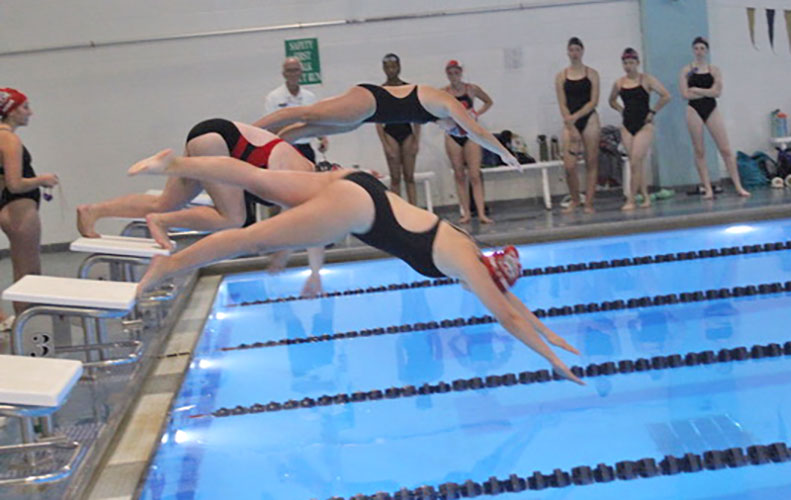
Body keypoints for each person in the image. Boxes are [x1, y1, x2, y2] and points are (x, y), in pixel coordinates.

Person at [129, 149, 582, 384]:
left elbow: (511, 307)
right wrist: (552, 359)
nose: (485, 292)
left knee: (257, 178)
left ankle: (170, 164)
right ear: (492, 277)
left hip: (358, 185)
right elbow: (506, 315)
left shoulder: (471, 254)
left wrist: (551, 333)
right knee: (253, 237)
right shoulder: (468, 265)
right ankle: (166, 266)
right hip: (358, 208)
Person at [76, 119, 325, 295]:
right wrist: (286, 259)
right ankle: (163, 222)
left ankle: (94, 211)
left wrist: (310, 269)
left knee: (165, 202)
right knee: (233, 219)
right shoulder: (300, 174)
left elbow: (310, 227)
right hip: (216, 141)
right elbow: (295, 225)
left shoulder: (306, 179)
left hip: (211, 135)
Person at [252, 78, 520, 170]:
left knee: (310, 130)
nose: (452, 130)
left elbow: (470, 130)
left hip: (366, 116)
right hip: (369, 101)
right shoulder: (446, 103)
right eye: (455, 128)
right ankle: (252, 132)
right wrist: (505, 153)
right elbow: (477, 131)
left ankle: (267, 148)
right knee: (307, 114)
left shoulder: (435, 115)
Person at [0, 88, 58, 319]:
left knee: (20, 270)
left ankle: (13, 324)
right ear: (11, 112)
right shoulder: (10, 139)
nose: (30, 113)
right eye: (24, 107)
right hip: (20, 208)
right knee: (29, 274)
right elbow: (15, 184)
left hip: (6, 207)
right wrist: (43, 180)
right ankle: (30, 329)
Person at [678, 37, 750, 199]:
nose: (699, 51)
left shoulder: (714, 70)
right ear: (693, 50)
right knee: (699, 150)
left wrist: (696, 89)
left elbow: (717, 93)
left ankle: (738, 186)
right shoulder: (686, 71)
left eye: (702, 48)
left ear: (707, 51)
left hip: (711, 108)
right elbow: (684, 94)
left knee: (725, 149)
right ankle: (708, 188)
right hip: (693, 110)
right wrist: (705, 91)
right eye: (696, 48)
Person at [607, 48, 671, 211]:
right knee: (637, 164)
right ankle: (646, 197)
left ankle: (631, 200)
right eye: (625, 63)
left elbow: (666, 95)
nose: (628, 66)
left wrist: (653, 111)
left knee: (635, 161)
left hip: (645, 125)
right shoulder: (620, 83)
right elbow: (612, 100)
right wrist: (621, 110)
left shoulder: (646, 80)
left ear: (637, 63)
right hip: (627, 125)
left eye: (631, 63)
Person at [442, 60, 494, 224]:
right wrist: (443, 120)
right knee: (459, 175)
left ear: (461, 73)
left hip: (470, 135)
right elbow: (431, 109)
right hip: (453, 135)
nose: (454, 77)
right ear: (447, 75)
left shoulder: (471, 89)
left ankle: (481, 213)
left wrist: (477, 113)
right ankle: (466, 213)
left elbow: (488, 101)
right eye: (450, 74)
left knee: (475, 175)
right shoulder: (443, 93)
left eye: (456, 73)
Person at [555, 37, 601, 214]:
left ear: (582, 51)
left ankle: (589, 202)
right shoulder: (561, 77)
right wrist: (570, 122)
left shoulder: (592, 74)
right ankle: (575, 199)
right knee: (569, 165)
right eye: (571, 50)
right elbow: (562, 103)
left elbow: (593, 101)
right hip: (570, 120)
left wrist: (576, 117)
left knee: (591, 161)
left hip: (589, 118)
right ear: (568, 52)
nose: (574, 53)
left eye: (577, 50)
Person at [371, 54, 422, 205]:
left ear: (399, 67)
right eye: (388, 67)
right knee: (395, 178)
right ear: (383, 69)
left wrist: (416, 140)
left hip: (407, 132)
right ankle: (398, 211)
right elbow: (377, 121)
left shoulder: (409, 88)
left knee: (409, 176)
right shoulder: (380, 91)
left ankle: (414, 209)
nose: (391, 70)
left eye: (393, 67)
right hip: (390, 133)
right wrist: (385, 144)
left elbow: (416, 117)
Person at [264, 57, 328, 162]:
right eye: (289, 70)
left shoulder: (310, 97)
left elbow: (316, 121)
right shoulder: (273, 97)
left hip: (305, 149)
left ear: (301, 73)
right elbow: (270, 127)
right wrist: (298, 126)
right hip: (284, 148)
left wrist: (322, 138)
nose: (293, 74)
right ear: (284, 74)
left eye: (295, 70)